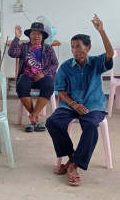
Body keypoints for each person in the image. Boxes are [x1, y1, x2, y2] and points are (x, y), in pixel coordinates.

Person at [46, 14, 113, 187]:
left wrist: (102, 31)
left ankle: (74, 165)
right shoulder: (66, 66)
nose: (75, 50)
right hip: (70, 105)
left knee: (91, 127)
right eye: (73, 47)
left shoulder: (96, 62)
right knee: (52, 122)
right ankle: (71, 156)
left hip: (93, 105)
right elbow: (60, 89)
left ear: (88, 48)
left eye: (78, 47)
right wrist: (73, 103)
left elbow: (110, 53)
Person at [8, 22, 59, 132]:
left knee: (49, 86)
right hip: (27, 75)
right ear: (29, 35)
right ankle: (34, 117)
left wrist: (43, 73)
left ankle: (33, 115)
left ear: (43, 36)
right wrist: (16, 38)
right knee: (21, 86)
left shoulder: (48, 48)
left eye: (39, 34)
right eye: (33, 33)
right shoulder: (24, 47)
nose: (36, 36)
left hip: (43, 76)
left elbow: (55, 64)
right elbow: (11, 53)